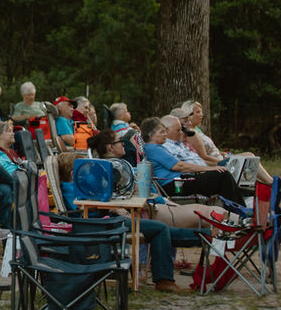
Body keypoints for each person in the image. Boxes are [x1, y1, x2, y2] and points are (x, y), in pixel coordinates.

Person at [55, 146, 190, 293]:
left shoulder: (77, 186)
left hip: (103, 221)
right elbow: (84, 207)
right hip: (99, 225)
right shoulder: (72, 187)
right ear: (73, 172)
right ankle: (166, 277)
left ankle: (202, 236)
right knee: (160, 229)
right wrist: (112, 207)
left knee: (162, 231)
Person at [87, 130, 223, 230]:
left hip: (159, 205)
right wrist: (119, 208)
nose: (124, 144)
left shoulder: (123, 166)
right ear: (111, 147)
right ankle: (241, 228)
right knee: (211, 214)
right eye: (120, 141)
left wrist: (166, 201)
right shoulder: (112, 171)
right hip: (151, 211)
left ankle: (241, 225)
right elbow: (109, 199)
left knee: (212, 213)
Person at [142, 116, 245, 205]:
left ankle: (234, 211)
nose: (165, 134)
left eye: (165, 131)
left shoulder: (157, 147)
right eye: (162, 132)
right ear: (151, 135)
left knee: (221, 175)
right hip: (174, 186)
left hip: (180, 181)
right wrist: (210, 169)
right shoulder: (153, 149)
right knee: (222, 175)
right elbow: (179, 166)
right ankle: (240, 213)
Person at [179, 100, 272, 184]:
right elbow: (203, 156)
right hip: (217, 163)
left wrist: (223, 153)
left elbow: (208, 149)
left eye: (201, 111)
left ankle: (267, 184)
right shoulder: (191, 133)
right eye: (198, 112)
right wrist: (223, 161)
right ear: (190, 114)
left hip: (220, 158)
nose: (201, 115)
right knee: (249, 156)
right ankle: (271, 183)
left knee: (250, 160)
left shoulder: (197, 129)